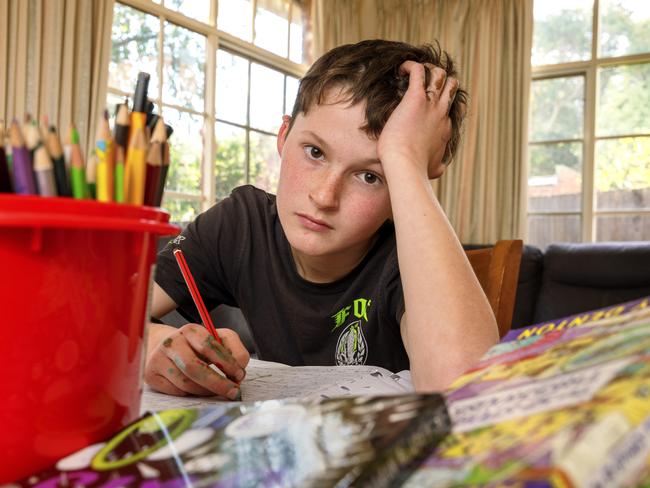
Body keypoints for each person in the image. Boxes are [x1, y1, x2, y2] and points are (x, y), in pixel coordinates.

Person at [146, 39, 499, 400]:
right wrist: (154, 343)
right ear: (284, 136)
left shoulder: (405, 260)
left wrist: (406, 158)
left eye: (370, 176)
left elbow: (469, 394)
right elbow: (108, 320)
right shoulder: (241, 225)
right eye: (314, 152)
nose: (324, 197)